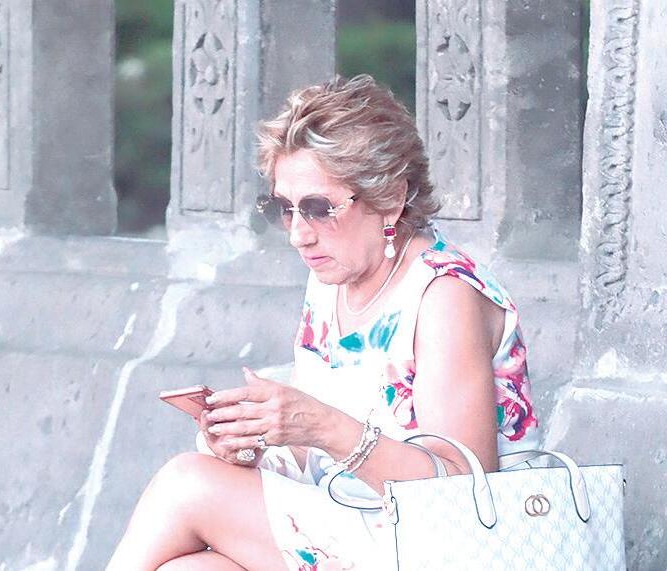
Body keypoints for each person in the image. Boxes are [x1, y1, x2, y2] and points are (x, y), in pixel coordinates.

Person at [107, 74, 538, 571]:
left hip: (451, 550)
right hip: (364, 528)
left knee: (187, 483)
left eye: (319, 209)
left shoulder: (444, 294)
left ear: (391, 197)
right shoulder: (333, 279)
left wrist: (322, 424)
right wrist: (257, 441)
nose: (298, 235)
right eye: (285, 209)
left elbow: (461, 494)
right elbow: (321, 460)